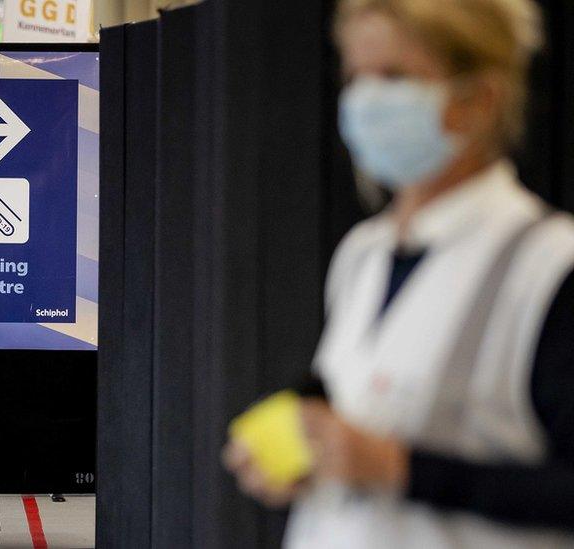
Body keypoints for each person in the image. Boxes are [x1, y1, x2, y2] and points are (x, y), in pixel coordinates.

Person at [224, 0, 574, 547]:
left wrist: (401, 469)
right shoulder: (364, 254)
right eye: (355, 77)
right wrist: (298, 446)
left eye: (393, 76)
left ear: (479, 99)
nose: (365, 102)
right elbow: (359, 403)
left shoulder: (548, 264)